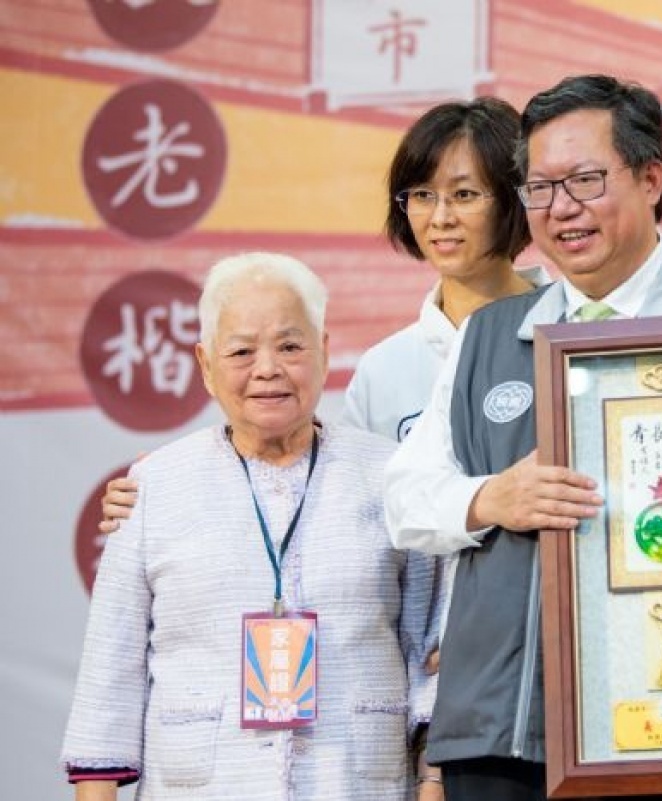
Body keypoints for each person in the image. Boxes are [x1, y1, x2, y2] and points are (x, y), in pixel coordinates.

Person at [93, 98, 549, 797]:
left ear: (514, 201)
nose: (440, 216)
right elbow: (348, 509)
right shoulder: (387, 369)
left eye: (464, 194)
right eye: (421, 195)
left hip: (543, 661)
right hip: (443, 696)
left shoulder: (565, 339)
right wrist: (165, 485)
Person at [383, 74, 662, 801]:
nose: (561, 209)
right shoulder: (487, 336)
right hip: (501, 728)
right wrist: (493, 495)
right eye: (541, 186)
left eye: (585, 180)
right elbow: (404, 498)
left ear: (651, 178)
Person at [62, 253, 435, 800]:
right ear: (206, 365)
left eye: (290, 346)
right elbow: (108, 679)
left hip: (356, 782)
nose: (267, 369)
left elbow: (430, 647)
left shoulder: (391, 475)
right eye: (241, 351)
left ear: (325, 351)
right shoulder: (152, 486)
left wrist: (433, 780)